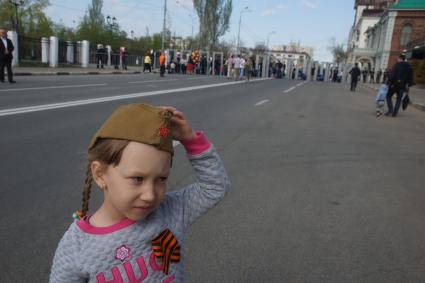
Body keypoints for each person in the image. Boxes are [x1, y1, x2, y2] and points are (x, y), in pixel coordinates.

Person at [49, 103, 230, 282]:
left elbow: (214, 187)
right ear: (100, 174)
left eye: (161, 179)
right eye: (137, 179)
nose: (150, 195)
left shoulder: (171, 211)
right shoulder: (76, 246)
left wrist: (190, 140)